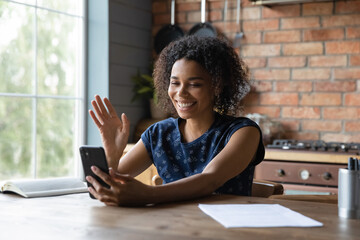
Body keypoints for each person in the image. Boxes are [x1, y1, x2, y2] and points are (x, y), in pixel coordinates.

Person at [86, 36, 264, 207]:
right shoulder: (158, 134)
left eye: (194, 84)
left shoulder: (243, 131)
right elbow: (107, 187)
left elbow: (210, 180)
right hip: (173, 226)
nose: (181, 93)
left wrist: (147, 194)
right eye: (175, 83)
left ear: (216, 86)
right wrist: (112, 156)